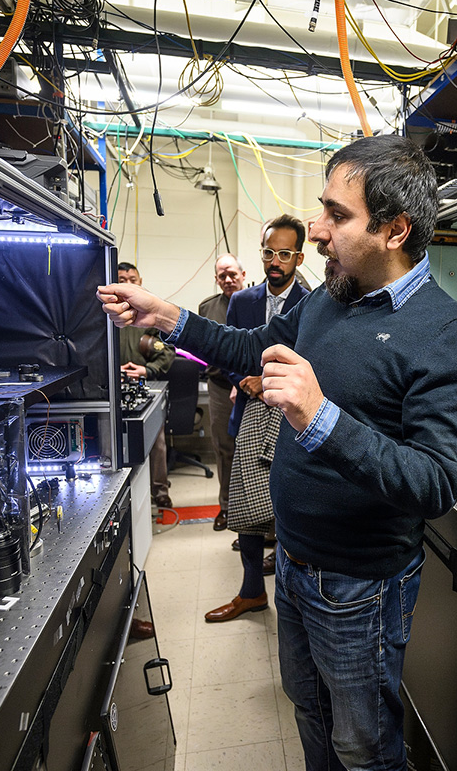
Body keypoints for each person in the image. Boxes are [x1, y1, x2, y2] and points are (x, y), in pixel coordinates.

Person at [99, 134, 457, 771]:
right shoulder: (327, 302)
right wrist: (166, 316)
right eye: (322, 210)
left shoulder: (448, 334)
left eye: (338, 216)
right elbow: (247, 345)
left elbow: (435, 481)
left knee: (363, 745)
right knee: (308, 709)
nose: (317, 231)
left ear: (396, 230)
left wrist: (321, 417)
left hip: (360, 584)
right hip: (297, 562)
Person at [204, 215, 309, 623]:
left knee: (288, 507)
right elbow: (229, 352)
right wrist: (244, 380)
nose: (275, 261)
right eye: (269, 252)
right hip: (248, 411)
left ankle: (291, 594)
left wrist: (271, 382)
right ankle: (251, 592)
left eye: (284, 253)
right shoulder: (242, 302)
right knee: (246, 505)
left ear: (299, 256)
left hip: (290, 421)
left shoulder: (311, 303)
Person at [116, 261, 175, 509]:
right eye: (122, 279)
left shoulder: (151, 316)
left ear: (140, 282)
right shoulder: (105, 315)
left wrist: (146, 370)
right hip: (111, 390)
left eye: (133, 279)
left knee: (156, 441)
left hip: (145, 387)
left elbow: (167, 351)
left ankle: (160, 491)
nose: (128, 283)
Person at [197, 253, 246, 531]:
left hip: (252, 387)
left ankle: (258, 509)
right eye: (222, 276)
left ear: (242, 274)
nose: (228, 279)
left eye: (232, 274)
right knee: (224, 449)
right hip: (219, 387)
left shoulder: (255, 302)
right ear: (217, 279)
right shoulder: (208, 307)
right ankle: (226, 507)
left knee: (254, 449)